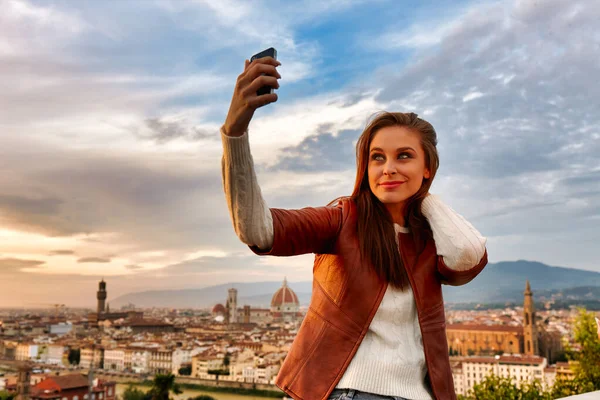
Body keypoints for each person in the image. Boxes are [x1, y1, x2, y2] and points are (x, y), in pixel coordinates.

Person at [220, 56, 488, 400]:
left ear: (428, 167)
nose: (388, 168)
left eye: (404, 156)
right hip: (345, 392)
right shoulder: (342, 219)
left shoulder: (429, 238)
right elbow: (257, 229)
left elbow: (468, 254)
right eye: (377, 157)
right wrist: (235, 133)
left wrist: (424, 198)